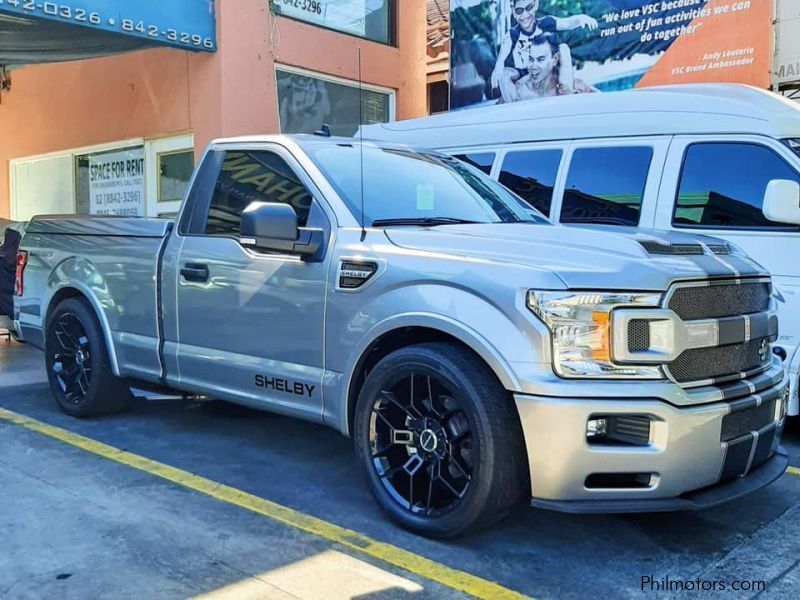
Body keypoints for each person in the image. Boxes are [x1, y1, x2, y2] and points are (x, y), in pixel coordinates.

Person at [491, 0, 598, 103]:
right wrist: (497, 70)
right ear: (514, 11)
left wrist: (580, 18)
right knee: (504, 74)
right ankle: (514, 105)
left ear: (536, 4)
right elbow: (501, 59)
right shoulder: (512, 34)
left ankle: (566, 90)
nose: (524, 15)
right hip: (525, 74)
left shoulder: (545, 23)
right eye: (519, 10)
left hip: (547, 70)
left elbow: (567, 23)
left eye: (528, 8)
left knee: (563, 48)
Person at [514, 33, 598, 99]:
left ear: (555, 59)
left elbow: (605, 103)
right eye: (531, 60)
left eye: (540, 59)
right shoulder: (521, 90)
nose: (534, 66)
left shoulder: (576, 87)